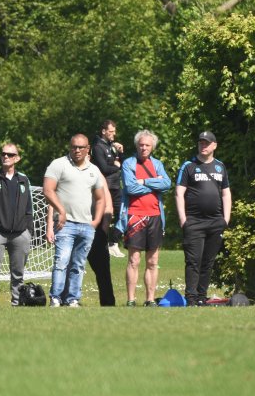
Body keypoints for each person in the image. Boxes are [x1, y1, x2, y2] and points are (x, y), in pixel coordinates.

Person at [43, 134, 105, 307]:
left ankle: (72, 299)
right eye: (73, 147)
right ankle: (56, 298)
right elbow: (48, 190)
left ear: (88, 149)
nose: (77, 150)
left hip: (86, 226)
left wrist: (96, 221)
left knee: (78, 265)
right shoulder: (59, 164)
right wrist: (61, 210)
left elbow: (100, 198)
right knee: (61, 262)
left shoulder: (94, 170)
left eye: (81, 147)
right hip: (65, 225)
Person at [175, 131, 231, 306]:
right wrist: (183, 220)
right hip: (194, 222)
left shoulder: (220, 167)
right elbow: (179, 192)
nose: (203, 146)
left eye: (207, 143)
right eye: (201, 143)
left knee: (208, 261)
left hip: (216, 222)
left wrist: (225, 219)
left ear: (214, 145)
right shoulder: (188, 166)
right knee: (193, 261)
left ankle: (201, 297)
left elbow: (226, 193)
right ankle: (191, 298)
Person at [116, 129, 172, 307]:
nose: (144, 148)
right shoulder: (128, 163)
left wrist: (144, 182)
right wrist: (155, 184)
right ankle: (131, 299)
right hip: (134, 215)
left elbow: (167, 183)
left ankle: (149, 299)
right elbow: (130, 189)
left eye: (147, 145)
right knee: (134, 260)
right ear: (136, 146)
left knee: (153, 261)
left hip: (155, 217)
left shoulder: (157, 164)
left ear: (152, 147)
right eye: (141, 145)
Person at [0, 143, 33, 307]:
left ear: (17, 158)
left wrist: (28, 231)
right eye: (3, 154)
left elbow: (29, 208)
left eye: (10, 155)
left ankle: (17, 302)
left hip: (20, 234)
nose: (6, 157)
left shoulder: (24, 179)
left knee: (18, 273)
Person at [91, 120, 125, 258]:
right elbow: (103, 169)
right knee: (104, 216)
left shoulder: (112, 145)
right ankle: (100, 245)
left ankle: (113, 243)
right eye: (111, 131)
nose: (113, 134)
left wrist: (121, 152)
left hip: (117, 186)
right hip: (105, 187)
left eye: (114, 131)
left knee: (123, 214)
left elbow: (122, 163)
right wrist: (116, 167)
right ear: (103, 131)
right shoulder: (98, 147)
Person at [86, 167, 116, 306]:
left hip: (96, 229)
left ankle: (108, 304)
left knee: (102, 271)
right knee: (70, 268)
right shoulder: (66, 170)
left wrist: (104, 228)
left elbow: (108, 204)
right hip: (74, 227)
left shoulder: (96, 173)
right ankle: (68, 300)